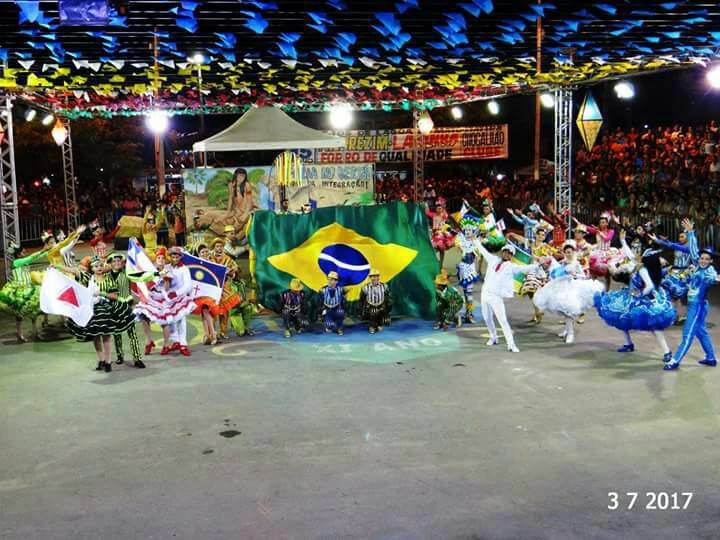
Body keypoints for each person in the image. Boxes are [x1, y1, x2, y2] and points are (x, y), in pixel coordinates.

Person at [594, 230, 676, 362]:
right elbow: (630, 255)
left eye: (639, 251)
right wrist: (623, 241)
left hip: (644, 299)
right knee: (622, 317)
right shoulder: (639, 265)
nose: (635, 253)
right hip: (633, 295)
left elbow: (649, 286)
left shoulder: (641, 268)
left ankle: (667, 351)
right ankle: (629, 344)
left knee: (654, 326)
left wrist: (639, 295)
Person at [66, 256, 136, 373]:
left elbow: (115, 296)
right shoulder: (89, 278)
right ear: (91, 268)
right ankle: (101, 360)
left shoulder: (109, 279)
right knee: (96, 336)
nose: (98, 268)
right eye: (95, 266)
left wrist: (102, 293)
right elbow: (73, 271)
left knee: (106, 336)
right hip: (92, 310)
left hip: (106, 309)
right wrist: (56, 266)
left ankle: (108, 362)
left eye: (100, 265)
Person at [533, 241, 604, 344]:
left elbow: (583, 276)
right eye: (566, 252)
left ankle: (571, 333)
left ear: (573, 252)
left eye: (570, 252)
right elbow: (555, 272)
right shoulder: (563, 262)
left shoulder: (576, 263)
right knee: (563, 311)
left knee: (568, 311)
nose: (568, 254)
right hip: (559, 287)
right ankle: (567, 330)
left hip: (570, 288)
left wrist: (575, 275)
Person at [475, 242, 539, 353]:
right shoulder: (493, 259)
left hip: (496, 297)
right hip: (485, 293)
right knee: (487, 318)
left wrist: (538, 265)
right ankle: (493, 337)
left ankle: (511, 345)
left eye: (509, 253)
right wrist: (474, 240)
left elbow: (524, 268)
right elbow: (482, 250)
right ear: (502, 252)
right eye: (505, 252)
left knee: (503, 321)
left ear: (511, 256)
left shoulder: (511, 267)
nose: (506, 254)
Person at [663, 247, 720, 371]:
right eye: (702, 258)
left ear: (711, 261)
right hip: (694, 305)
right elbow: (692, 252)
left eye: (707, 259)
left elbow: (710, 279)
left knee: (687, 334)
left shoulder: (709, 272)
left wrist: (714, 279)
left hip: (698, 306)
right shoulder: (697, 268)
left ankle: (675, 361)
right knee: (701, 332)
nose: (703, 261)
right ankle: (711, 358)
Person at [648, 218, 698, 325]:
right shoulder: (679, 246)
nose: (680, 238)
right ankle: (675, 315)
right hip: (674, 271)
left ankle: (681, 315)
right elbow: (671, 245)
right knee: (672, 295)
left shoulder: (688, 248)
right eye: (679, 237)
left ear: (688, 237)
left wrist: (660, 241)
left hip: (683, 273)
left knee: (679, 295)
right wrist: (659, 241)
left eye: (682, 236)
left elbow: (672, 245)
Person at [0, 242, 49, 342]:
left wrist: (50, 251)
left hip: (29, 288)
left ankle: (35, 332)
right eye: (23, 251)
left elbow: (38, 256)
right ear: (18, 254)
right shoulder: (16, 262)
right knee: (19, 314)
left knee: (34, 312)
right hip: (19, 290)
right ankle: (19, 334)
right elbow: (31, 258)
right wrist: (43, 250)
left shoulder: (23, 261)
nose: (24, 252)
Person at [107, 253, 145, 368]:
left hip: (127, 308)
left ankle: (137, 358)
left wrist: (156, 273)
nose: (117, 263)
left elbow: (141, 275)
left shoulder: (127, 273)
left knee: (132, 334)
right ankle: (120, 355)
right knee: (116, 334)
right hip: (114, 308)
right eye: (114, 261)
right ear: (110, 264)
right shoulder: (106, 276)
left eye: (119, 261)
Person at [208, 238, 241, 340]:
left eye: (221, 246)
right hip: (213, 288)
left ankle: (223, 331)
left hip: (225, 288)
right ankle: (212, 332)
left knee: (225, 311)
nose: (219, 248)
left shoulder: (228, 259)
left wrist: (230, 272)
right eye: (217, 246)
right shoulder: (209, 258)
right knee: (212, 310)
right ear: (214, 247)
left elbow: (236, 270)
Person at [165, 246, 195, 356]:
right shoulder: (166, 267)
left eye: (177, 256)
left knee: (181, 320)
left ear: (180, 257)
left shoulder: (184, 269)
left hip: (180, 298)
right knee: (170, 320)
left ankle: (183, 344)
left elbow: (188, 285)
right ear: (170, 256)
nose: (175, 258)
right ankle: (176, 341)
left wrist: (176, 293)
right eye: (173, 256)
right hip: (169, 299)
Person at [454, 216, 482, 324]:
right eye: (466, 230)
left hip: (471, 268)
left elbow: (478, 250)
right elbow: (459, 244)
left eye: (470, 230)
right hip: (464, 267)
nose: (468, 232)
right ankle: (468, 314)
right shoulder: (461, 240)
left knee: (469, 292)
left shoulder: (475, 241)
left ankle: (469, 314)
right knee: (467, 292)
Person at [192, 244, 220, 345]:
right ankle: (210, 334)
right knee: (204, 312)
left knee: (207, 313)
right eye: (202, 252)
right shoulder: (197, 263)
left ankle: (209, 334)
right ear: (199, 254)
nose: (205, 253)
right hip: (200, 292)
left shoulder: (213, 262)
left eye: (206, 251)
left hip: (210, 292)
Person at [359, 269, 392, 334]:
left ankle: (380, 323)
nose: (375, 278)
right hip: (370, 307)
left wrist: (388, 313)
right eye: (373, 276)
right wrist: (362, 311)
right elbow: (362, 301)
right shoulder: (365, 288)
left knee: (383, 309)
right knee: (373, 312)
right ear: (370, 277)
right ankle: (372, 326)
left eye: (377, 276)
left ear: (379, 277)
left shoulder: (384, 286)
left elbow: (388, 299)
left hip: (381, 306)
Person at [426, 197, 454, 266]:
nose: (438, 209)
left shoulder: (444, 215)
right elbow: (427, 212)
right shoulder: (433, 215)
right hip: (435, 234)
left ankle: (441, 263)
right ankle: (436, 261)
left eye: (440, 208)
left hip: (442, 234)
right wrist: (426, 204)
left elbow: (446, 215)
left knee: (442, 250)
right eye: (437, 208)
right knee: (432, 249)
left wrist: (442, 205)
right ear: (435, 209)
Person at [320, 271, 346, 335]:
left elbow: (343, 302)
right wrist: (322, 310)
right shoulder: (323, 290)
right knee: (329, 325)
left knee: (340, 312)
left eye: (332, 280)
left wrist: (343, 310)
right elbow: (320, 302)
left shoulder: (341, 290)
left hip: (337, 308)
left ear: (336, 281)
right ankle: (330, 325)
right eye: (329, 279)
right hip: (327, 310)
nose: (329, 281)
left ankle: (339, 328)